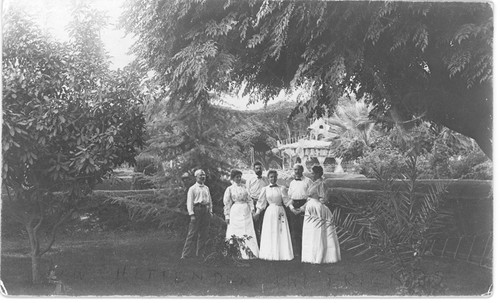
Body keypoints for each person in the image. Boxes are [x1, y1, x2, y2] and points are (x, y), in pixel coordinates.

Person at [298, 165, 341, 264]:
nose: (311, 175)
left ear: (317, 173)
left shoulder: (322, 183)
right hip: (311, 207)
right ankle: (310, 256)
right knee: (311, 231)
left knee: (317, 231)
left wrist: (317, 204)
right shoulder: (314, 183)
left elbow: (324, 198)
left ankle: (319, 255)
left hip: (317, 209)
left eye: (313, 173)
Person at [254, 170, 294, 261]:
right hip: (270, 212)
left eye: (275, 177)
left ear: (277, 177)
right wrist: (257, 213)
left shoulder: (282, 188)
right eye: (271, 177)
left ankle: (282, 254)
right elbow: (261, 202)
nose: (273, 178)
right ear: (268, 178)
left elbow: (286, 201)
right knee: (270, 231)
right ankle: (269, 253)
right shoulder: (265, 189)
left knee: (280, 230)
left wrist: (292, 208)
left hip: (280, 210)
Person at [224, 169, 259, 259]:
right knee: (236, 231)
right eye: (237, 177)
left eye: (240, 176)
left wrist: (252, 210)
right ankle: (236, 252)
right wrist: (227, 215)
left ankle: (250, 252)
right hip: (236, 211)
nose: (239, 178)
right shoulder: (230, 189)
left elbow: (249, 200)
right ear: (233, 178)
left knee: (247, 230)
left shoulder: (245, 188)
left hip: (246, 211)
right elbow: (227, 203)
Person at [181, 169, 213, 260]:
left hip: (205, 211)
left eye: (204, 175)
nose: (203, 177)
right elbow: (189, 202)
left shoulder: (206, 188)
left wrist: (210, 211)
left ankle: (200, 255)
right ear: (196, 177)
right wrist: (191, 214)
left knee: (203, 233)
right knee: (192, 233)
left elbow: (210, 201)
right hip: (197, 210)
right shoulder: (192, 189)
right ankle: (185, 255)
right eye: (200, 176)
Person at [287, 163, 313, 257]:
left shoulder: (308, 181)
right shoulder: (292, 182)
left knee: (305, 229)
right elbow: (289, 197)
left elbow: (311, 198)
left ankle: (306, 252)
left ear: (302, 170)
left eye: (298, 169)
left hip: (305, 205)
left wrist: (302, 208)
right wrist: (292, 208)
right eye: (295, 170)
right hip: (294, 206)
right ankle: (296, 252)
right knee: (294, 230)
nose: (296, 172)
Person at [246, 161, 269, 244]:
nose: (259, 170)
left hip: (264, 204)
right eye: (257, 168)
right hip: (253, 203)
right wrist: (252, 208)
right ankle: (256, 244)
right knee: (254, 224)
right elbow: (248, 194)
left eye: (260, 168)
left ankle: (263, 244)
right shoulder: (250, 180)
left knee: (263, 223)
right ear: (254, 169)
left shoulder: (266, 180)